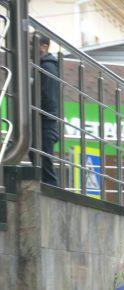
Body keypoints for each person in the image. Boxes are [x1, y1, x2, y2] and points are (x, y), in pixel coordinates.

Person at [34, 34, 60, 186]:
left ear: (44, 47)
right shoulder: (42, 66)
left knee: (45, 167)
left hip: (45, 122)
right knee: (41, 162)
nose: (29, 48)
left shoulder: (47, 67)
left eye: (32, 44)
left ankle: (51, 195)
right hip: (44, 121)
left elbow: (48, 97)